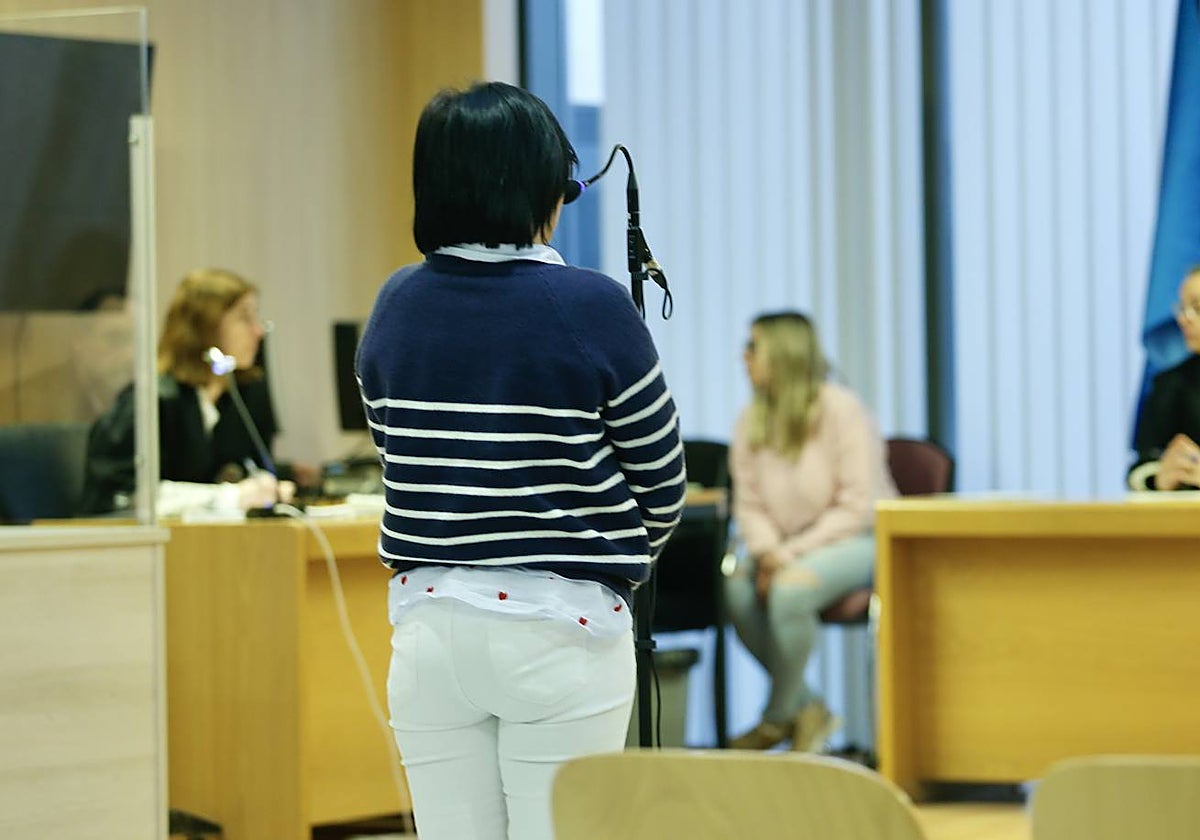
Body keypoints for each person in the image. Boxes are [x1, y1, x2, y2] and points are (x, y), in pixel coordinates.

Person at [355, 81, 685, 840]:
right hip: (563, 628)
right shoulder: (592, 306)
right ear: (546, 185)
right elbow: (662, 482)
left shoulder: (394, 304)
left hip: (430, 627)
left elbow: (394, 450)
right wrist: (617, 555)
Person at [725, 311, 896, 751]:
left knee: (790, 592)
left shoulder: (842, 410)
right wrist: (767, 552)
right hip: (784, 549)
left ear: (783, 354)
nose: (744, 357)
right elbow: (749, 504)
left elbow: (858, 507)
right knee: (735, 589)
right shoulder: (750, 419)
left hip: (859, 540)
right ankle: (808, 710)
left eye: (753, 347)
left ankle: (776, 718)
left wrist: (785, 557)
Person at [79, 268, 293, 515]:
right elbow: (124, 498)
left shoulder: (237, 401)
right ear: (205, 327)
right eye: (243, 318)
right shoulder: (150, 403)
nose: (257, 331)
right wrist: (231, 497)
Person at [1129, 265, 1200, 491]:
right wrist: (1159, 478)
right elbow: (1140, 468)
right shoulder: (1171, 383)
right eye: (1182, 308)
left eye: (1197, 308)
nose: (1184, 319)